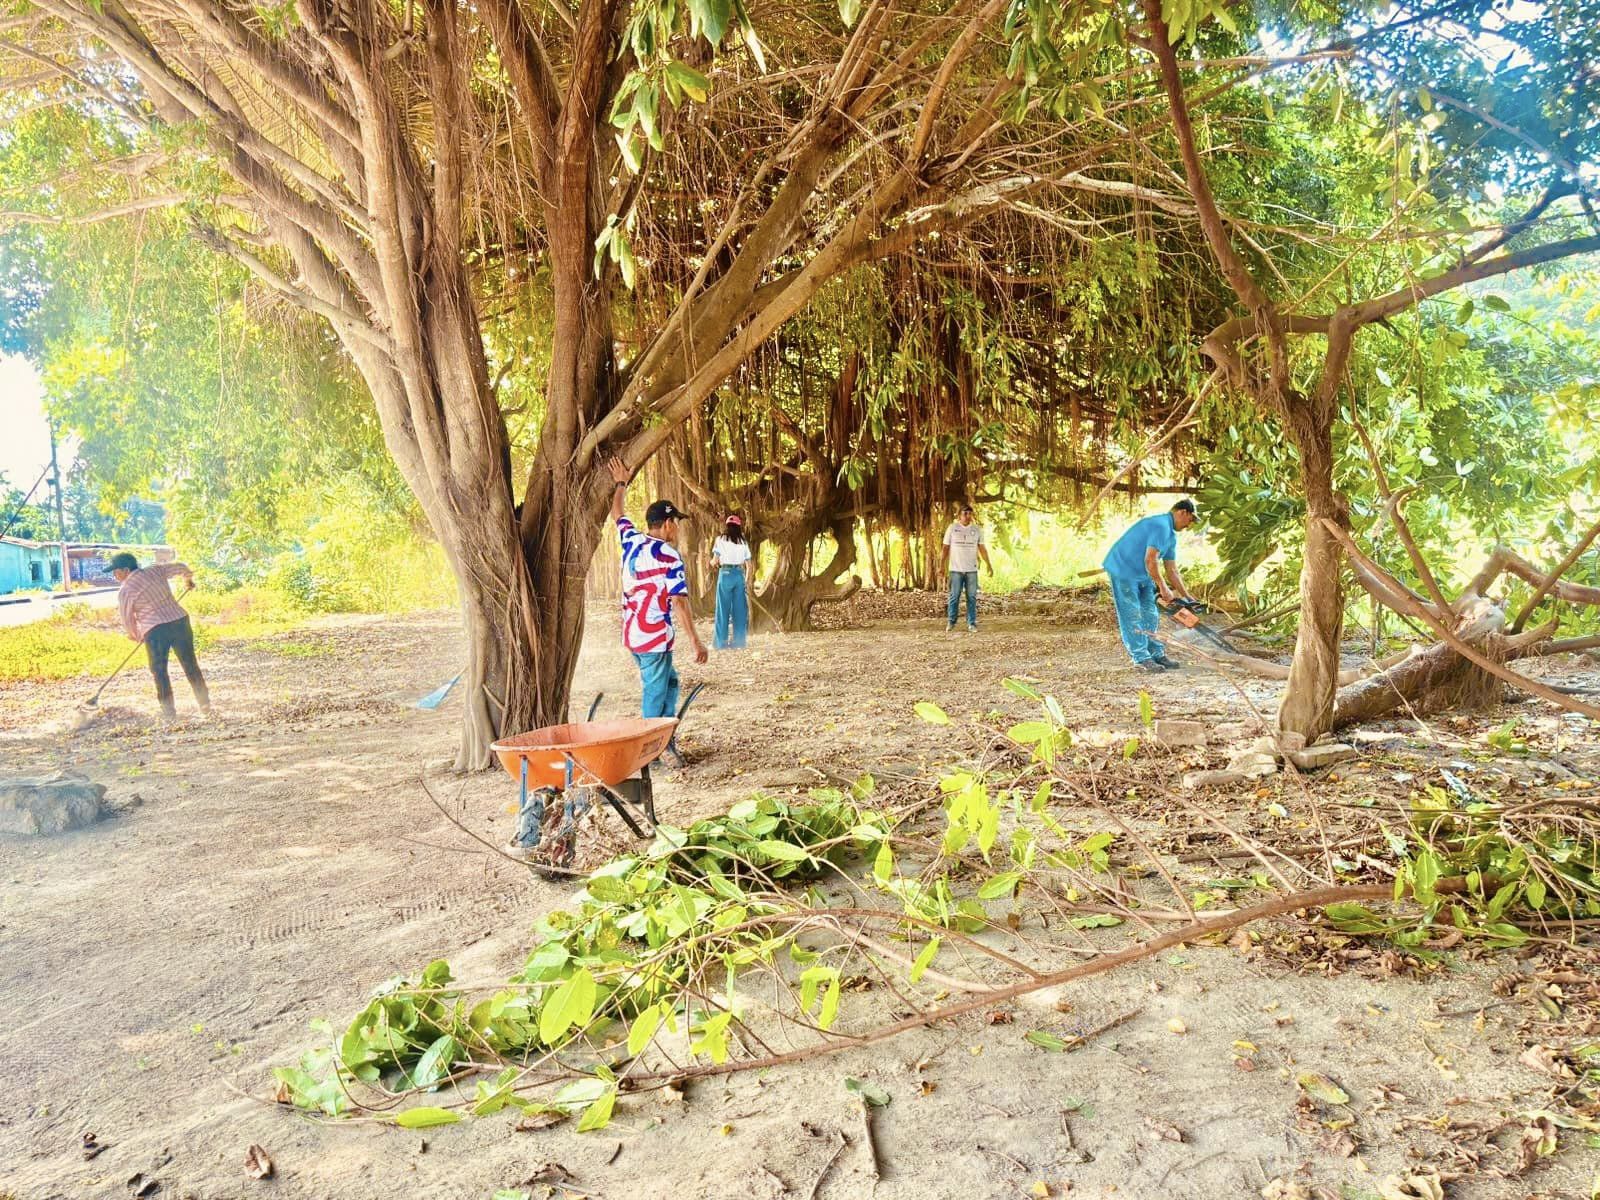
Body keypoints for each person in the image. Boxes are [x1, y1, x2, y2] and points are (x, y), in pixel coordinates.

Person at [607, 458, 708, 758]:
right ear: (667, 524)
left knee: (669, 683)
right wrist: (696, 641)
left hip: (633, 636)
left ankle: (664, 740)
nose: (677, 529)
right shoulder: (669, 556)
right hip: (654, 638)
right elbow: (679, 602)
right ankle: (649, 752)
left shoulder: (631, 540)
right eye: (676, 523)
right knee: (654, 692)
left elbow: (617, 513)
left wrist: (621, 483)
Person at [1101, 498, 1200, 673]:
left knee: (1150, 613)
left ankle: (1156, 653)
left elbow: (1172, 570)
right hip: (1123, 570)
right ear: (1183, 512)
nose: (1189, 525)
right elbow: (1150, 559)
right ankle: (1141, 658)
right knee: (1132, 613)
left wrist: (1187, 597)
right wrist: (1163, 587)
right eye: (1190, 520)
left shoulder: (1171, 537)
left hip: (1144, 573)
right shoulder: (1160, 525)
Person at [110, 551, 211, 720]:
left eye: (116, 571)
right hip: (179, 621)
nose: (114, 575)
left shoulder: (126, 590)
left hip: (155, 630)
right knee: (190, 664)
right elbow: (182, 567)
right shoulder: (155, 570)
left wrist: (136, 635)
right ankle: (204, 704)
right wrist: (188, 581)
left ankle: (168, 712)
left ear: (126, 570)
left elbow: (128, 619)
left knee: (159, 670)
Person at [942, 503, 993, 632]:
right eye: (965, 513)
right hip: (955, 569)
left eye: (970, 513)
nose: (967, 516)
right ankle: (951, 622)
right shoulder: (952, 528)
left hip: (971, 569)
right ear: (959, 515)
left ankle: (971, 623)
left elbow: (982, 548)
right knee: (954, 596)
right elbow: (945, 548)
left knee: (971, 597)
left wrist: (988, 564)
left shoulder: (977, 530)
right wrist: (941, 565)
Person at [711, 515, 751, 650]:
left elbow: (715, 561)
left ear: (727, 526)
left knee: (723, 609)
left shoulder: (720, 539)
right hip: (739, 575)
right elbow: (749, 565)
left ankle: (720, 643)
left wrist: (711, 563)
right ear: (739, 527)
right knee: (739, 610)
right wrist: (746, 581)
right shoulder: (743, 542)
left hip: (725, 574)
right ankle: (739, 643)